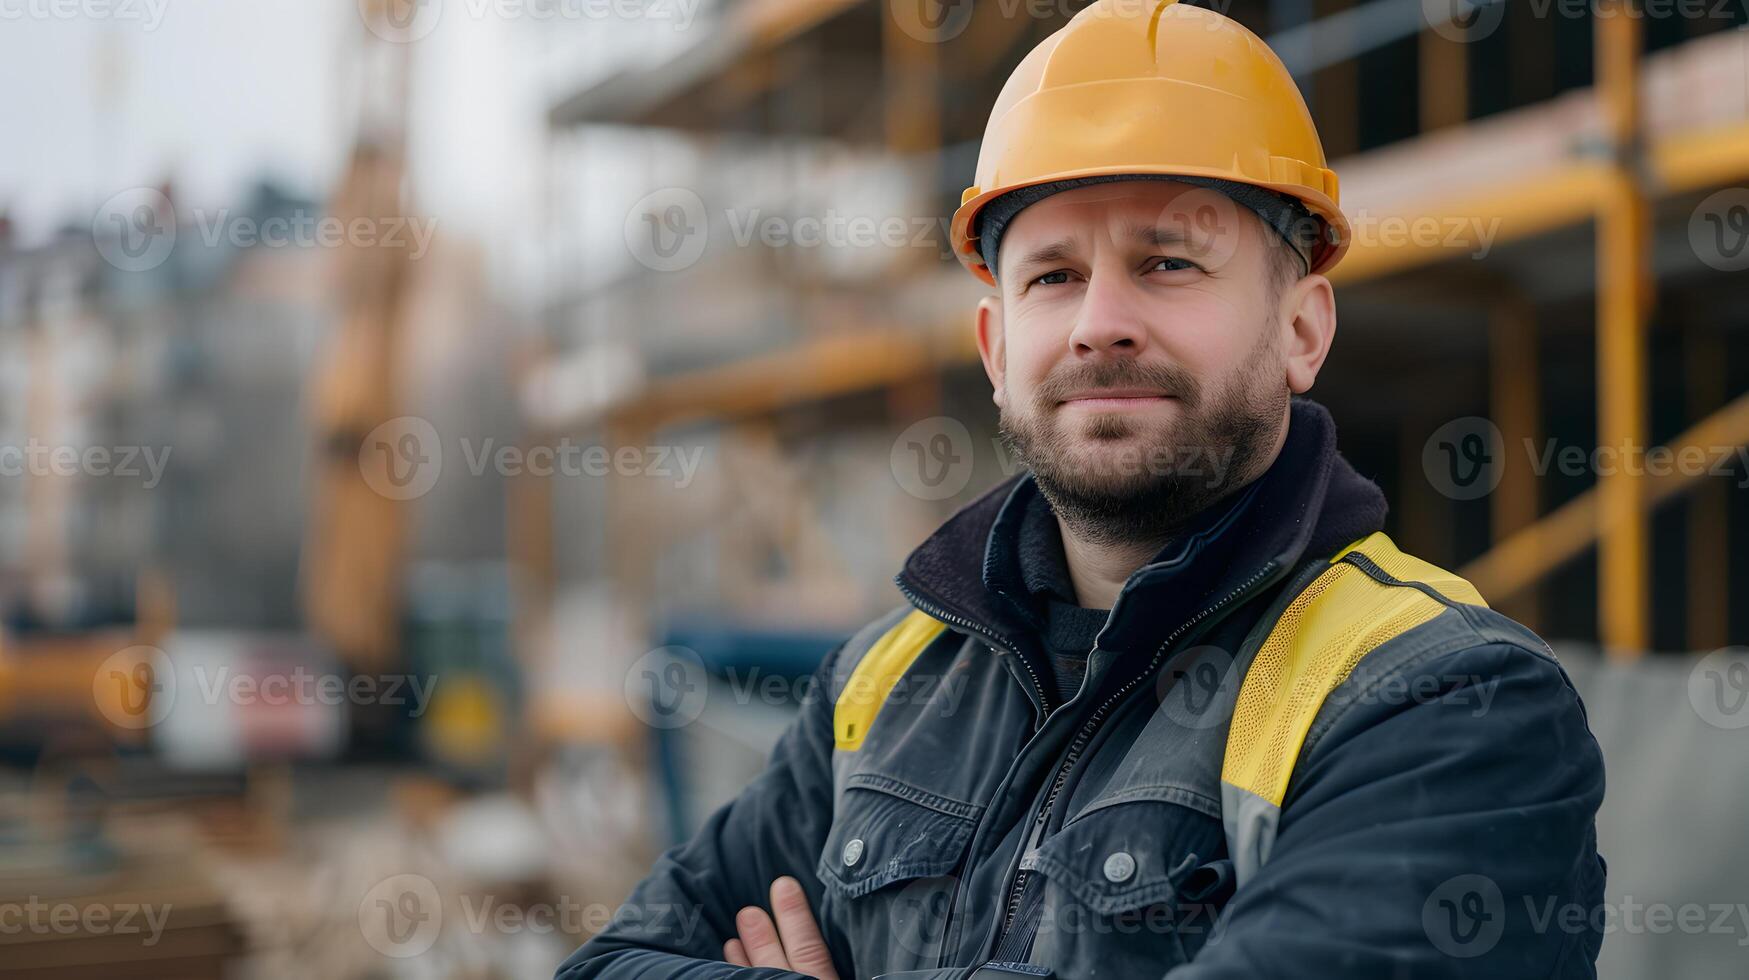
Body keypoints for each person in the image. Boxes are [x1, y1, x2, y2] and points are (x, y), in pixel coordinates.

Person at [558, 1, 1606, 976]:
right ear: (995, 343)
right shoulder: (877, 687)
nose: (1101, 319)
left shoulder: (1446, 701)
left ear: (1303, 329)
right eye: (1053, 275)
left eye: (1168, 262)